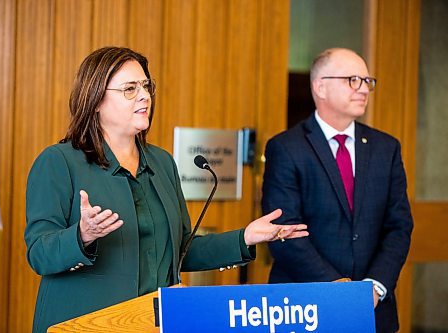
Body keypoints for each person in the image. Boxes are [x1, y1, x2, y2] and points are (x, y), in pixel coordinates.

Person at [24, 46, 308, 333]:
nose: (145, 96)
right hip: (86, 324)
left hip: (156, 322)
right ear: (96, 99)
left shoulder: (161, 162)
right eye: (130, 89)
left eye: (146, 86)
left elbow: (181, 249)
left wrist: (244, 237)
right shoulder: (58, 162)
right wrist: (82, 235)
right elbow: (39, 254)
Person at [261, 48, 413, 333]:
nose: (363, 89)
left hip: (374, 310)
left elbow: (399, 226)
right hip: (304, 307)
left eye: (367, 81)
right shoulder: (286, 148)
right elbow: (284, 231)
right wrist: (340, 290)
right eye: (352, 80)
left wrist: (375, 287)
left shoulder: (386, 148)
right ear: (320, 86)